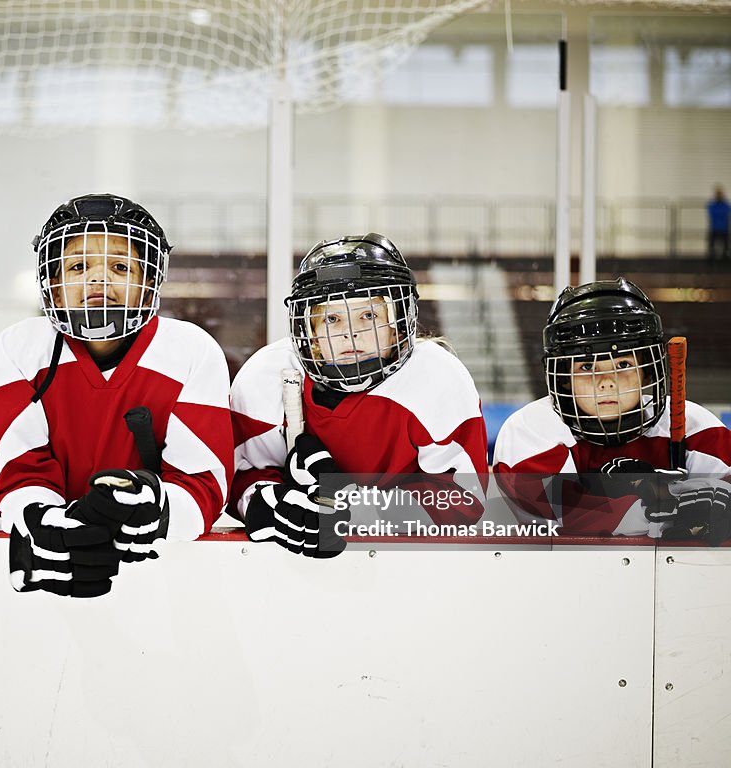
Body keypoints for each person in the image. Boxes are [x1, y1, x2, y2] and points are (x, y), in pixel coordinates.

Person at [0, 193, 233, 597]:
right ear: (56, 286)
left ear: (149, 282)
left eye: (120, 266)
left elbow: (202, 483)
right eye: (79, 266)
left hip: (165, 574)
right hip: (51, 564)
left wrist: (157, 510)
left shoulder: (191, 350)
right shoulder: (18, 348)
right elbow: (18, 473)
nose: (98, 280)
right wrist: (45, 522)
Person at [229, 233, 489, 557]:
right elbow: (245, 476)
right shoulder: (265, 376)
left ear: (396, 323)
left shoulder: (437, 378)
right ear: (310, 333)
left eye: (368, 316)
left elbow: (462, 502)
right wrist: (272, 505)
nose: (351, 333)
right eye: (332, 318)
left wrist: (350, 507)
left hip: (410, 574)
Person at [493, 279, 731, 543]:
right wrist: (659, 508)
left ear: (647, 372)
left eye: (623, 363)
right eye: (586, 366)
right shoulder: (532, 429)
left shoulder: (697, 429)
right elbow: (561, 512)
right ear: (563, 378)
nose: (606, 380)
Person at [706, 185, 730, 263]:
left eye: (720, 194)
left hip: (724, 228)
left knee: (725, 245)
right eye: (717, 194)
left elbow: (727, 212)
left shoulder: (726, 204)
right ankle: (711, 258)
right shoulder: (712, 204)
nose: (719, 195)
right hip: (714, 228)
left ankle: (724, 258)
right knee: (711, 245)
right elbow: (711, 212)